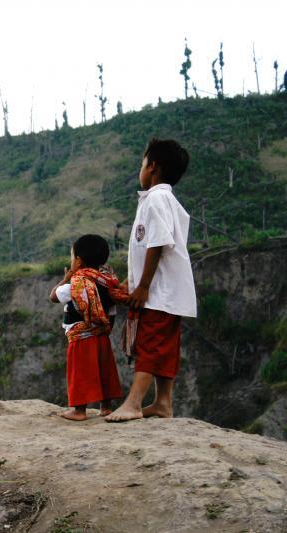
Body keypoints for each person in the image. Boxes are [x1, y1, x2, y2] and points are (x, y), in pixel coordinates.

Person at [106, 138, 197, 422]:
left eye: (142, 164)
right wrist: (132, 281)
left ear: (153, 166)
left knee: (150, 345)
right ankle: (163, 403)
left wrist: (143, 286)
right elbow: (148, 249)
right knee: (164, 348)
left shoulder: (156, 199)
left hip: (160, 292)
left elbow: (157, 243)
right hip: (168, 291)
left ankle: (133, 403)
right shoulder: (166, 200)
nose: (141, 169)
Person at [49, 234, 129, 421]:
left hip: (81, 336)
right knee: (104, 369)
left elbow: (53, 296)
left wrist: (66, 278)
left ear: (78, 260)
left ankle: (79, 411)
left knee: (80, 372)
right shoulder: (107, 281)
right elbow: (112, 309)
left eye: (72, 257)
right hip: (102, 334)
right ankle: (106, 407)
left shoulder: (76, 283)